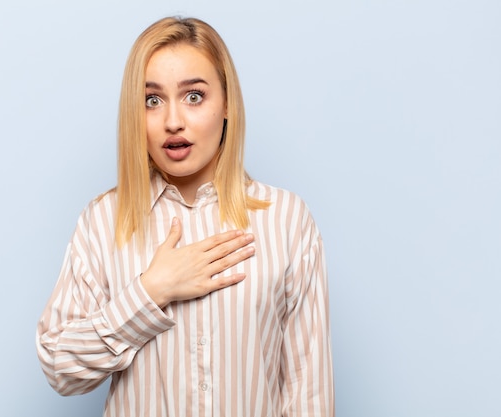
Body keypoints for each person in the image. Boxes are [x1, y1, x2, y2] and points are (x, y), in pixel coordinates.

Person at [36, 16, 334, 417]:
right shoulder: (103, 221)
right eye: (152, 100)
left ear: (226, 103)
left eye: (194, 96)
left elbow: (308, 394)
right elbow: (60, 368)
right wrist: (148, 292)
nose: (173, 121)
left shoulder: (286, 221)